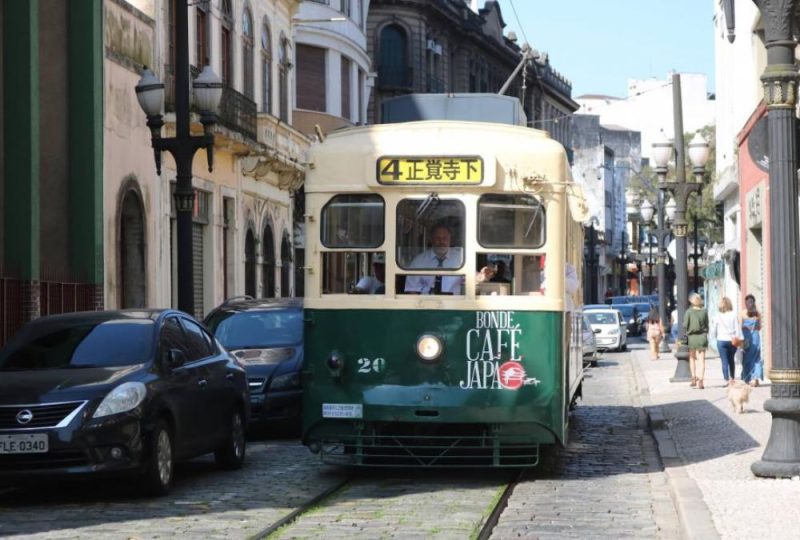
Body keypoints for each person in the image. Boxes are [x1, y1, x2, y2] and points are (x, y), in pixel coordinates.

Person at [405, 223, 463, 294]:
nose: (441, 241)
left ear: (450, 239)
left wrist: (479, 277)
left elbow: (472, 280)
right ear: (431, 239)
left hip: (455, 303)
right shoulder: (419, 260)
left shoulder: (461, 259)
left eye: (445, 238)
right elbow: (411, 289)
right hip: (426, 302)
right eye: (437, 238)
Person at [712, 296, 741, 387]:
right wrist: (738, 338)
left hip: (721, 340)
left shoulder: (717, 316)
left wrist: (714, 337)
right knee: (731, 359)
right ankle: (732, 378)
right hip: (732, 341)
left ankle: (726, 380)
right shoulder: (733, 315)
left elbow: (714, 329)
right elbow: (737, 328)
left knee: (724, 361)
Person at [684, 292, 709, 389]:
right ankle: (701, 380)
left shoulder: (689, 312)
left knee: (692, 358)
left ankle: (693, 378)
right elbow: (707, 325)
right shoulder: (704, 311)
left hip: (692, 337)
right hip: (702, 337)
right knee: (702, 360)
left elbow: (685, 325)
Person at [740, 294, 763, 387]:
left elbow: (740, 327)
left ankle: (748, 378)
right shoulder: (758, 313)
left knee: (746, 358)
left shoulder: (742, 313)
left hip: (746, 338)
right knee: (756, 358)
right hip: (756, 337)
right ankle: (755, 378)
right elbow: (760, 327)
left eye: (747, 302)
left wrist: (746, 327)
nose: (746, 304)